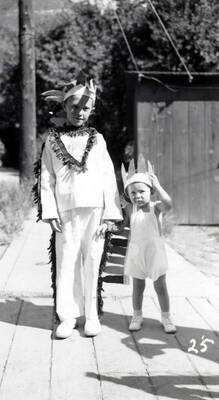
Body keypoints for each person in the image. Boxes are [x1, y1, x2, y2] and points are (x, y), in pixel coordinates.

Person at [39, 72, 123, 339]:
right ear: (64, 107)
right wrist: (49, 210)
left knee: (92, 260)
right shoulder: (52, 141)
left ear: (92, 110)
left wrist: (111, 215)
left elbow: (108, 177)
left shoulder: (97, 140)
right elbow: (46, 177)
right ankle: (67, 316)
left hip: (95, 210)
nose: (79, 112)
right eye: (74, 107)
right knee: (66, 263)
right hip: (65, 211)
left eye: (85, 108)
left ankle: (92, 316)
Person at [121, 157, 176, 333]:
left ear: (150, 191)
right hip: (137, 254)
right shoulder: (131, 210)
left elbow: (169, 204)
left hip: (155, 253)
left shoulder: (155, 207)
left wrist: (157, 185)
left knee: (160, 286)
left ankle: (166, 316)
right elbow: (121, 221)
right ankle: (137, 315)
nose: (137, 196)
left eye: (142, 192)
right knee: (138, 287)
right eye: (133, 193)